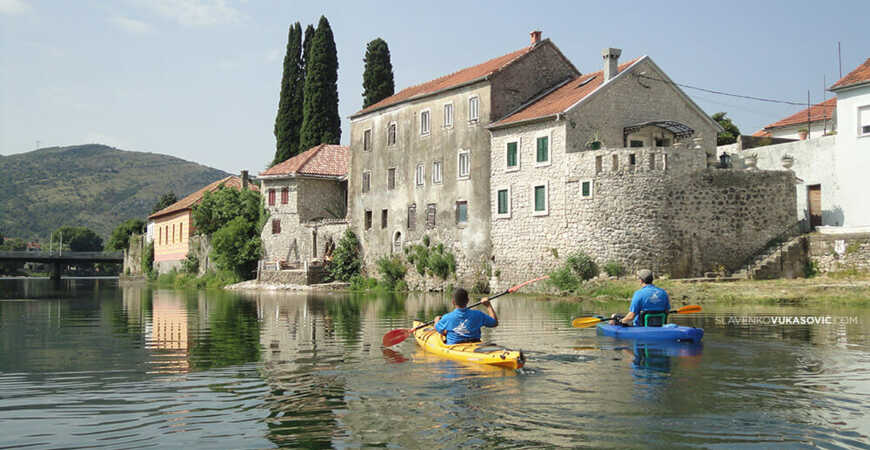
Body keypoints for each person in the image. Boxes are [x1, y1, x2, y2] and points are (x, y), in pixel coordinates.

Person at [433, 288, 498, 344]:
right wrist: (488, 306)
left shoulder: (447, 317)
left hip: (455, 347)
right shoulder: (478, 314)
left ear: (453, 302)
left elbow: (438, 328)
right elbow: (494, 323)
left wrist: (436, 320)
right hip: (475, 344)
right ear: (468, 301)